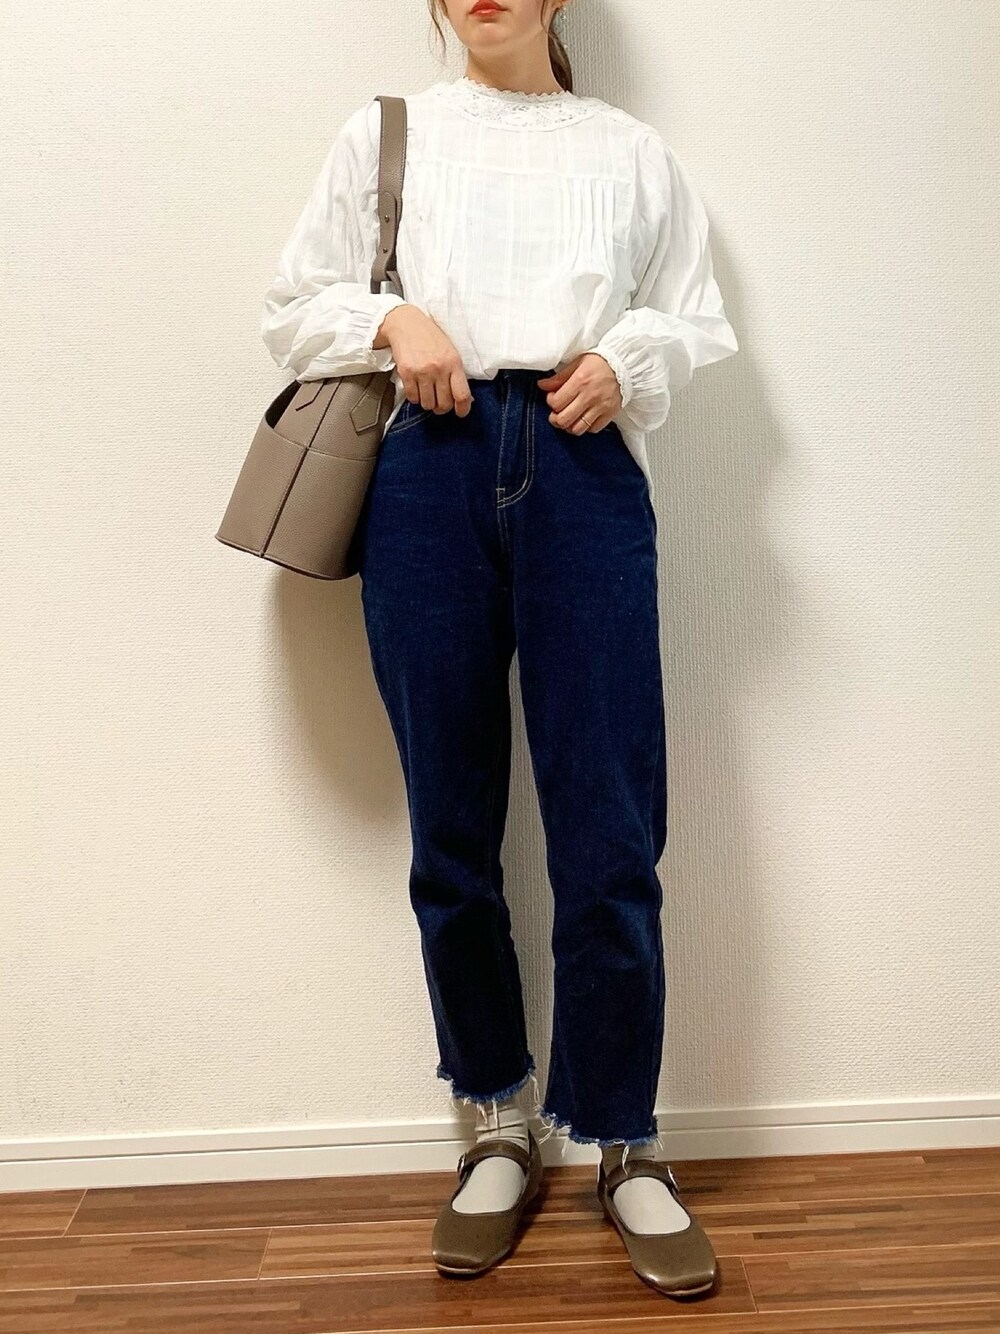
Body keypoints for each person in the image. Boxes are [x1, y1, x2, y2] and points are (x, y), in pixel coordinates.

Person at [260, 0, 738, 1298]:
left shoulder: (627, 150)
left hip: (585, 476)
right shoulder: (387, 134)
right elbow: (292, 303)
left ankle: (627, 1139)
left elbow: (694, 316)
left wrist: (624, 359)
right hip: (426, 471)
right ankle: (494, 1121)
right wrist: (392, 324)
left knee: (610, 824)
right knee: (452, 825)